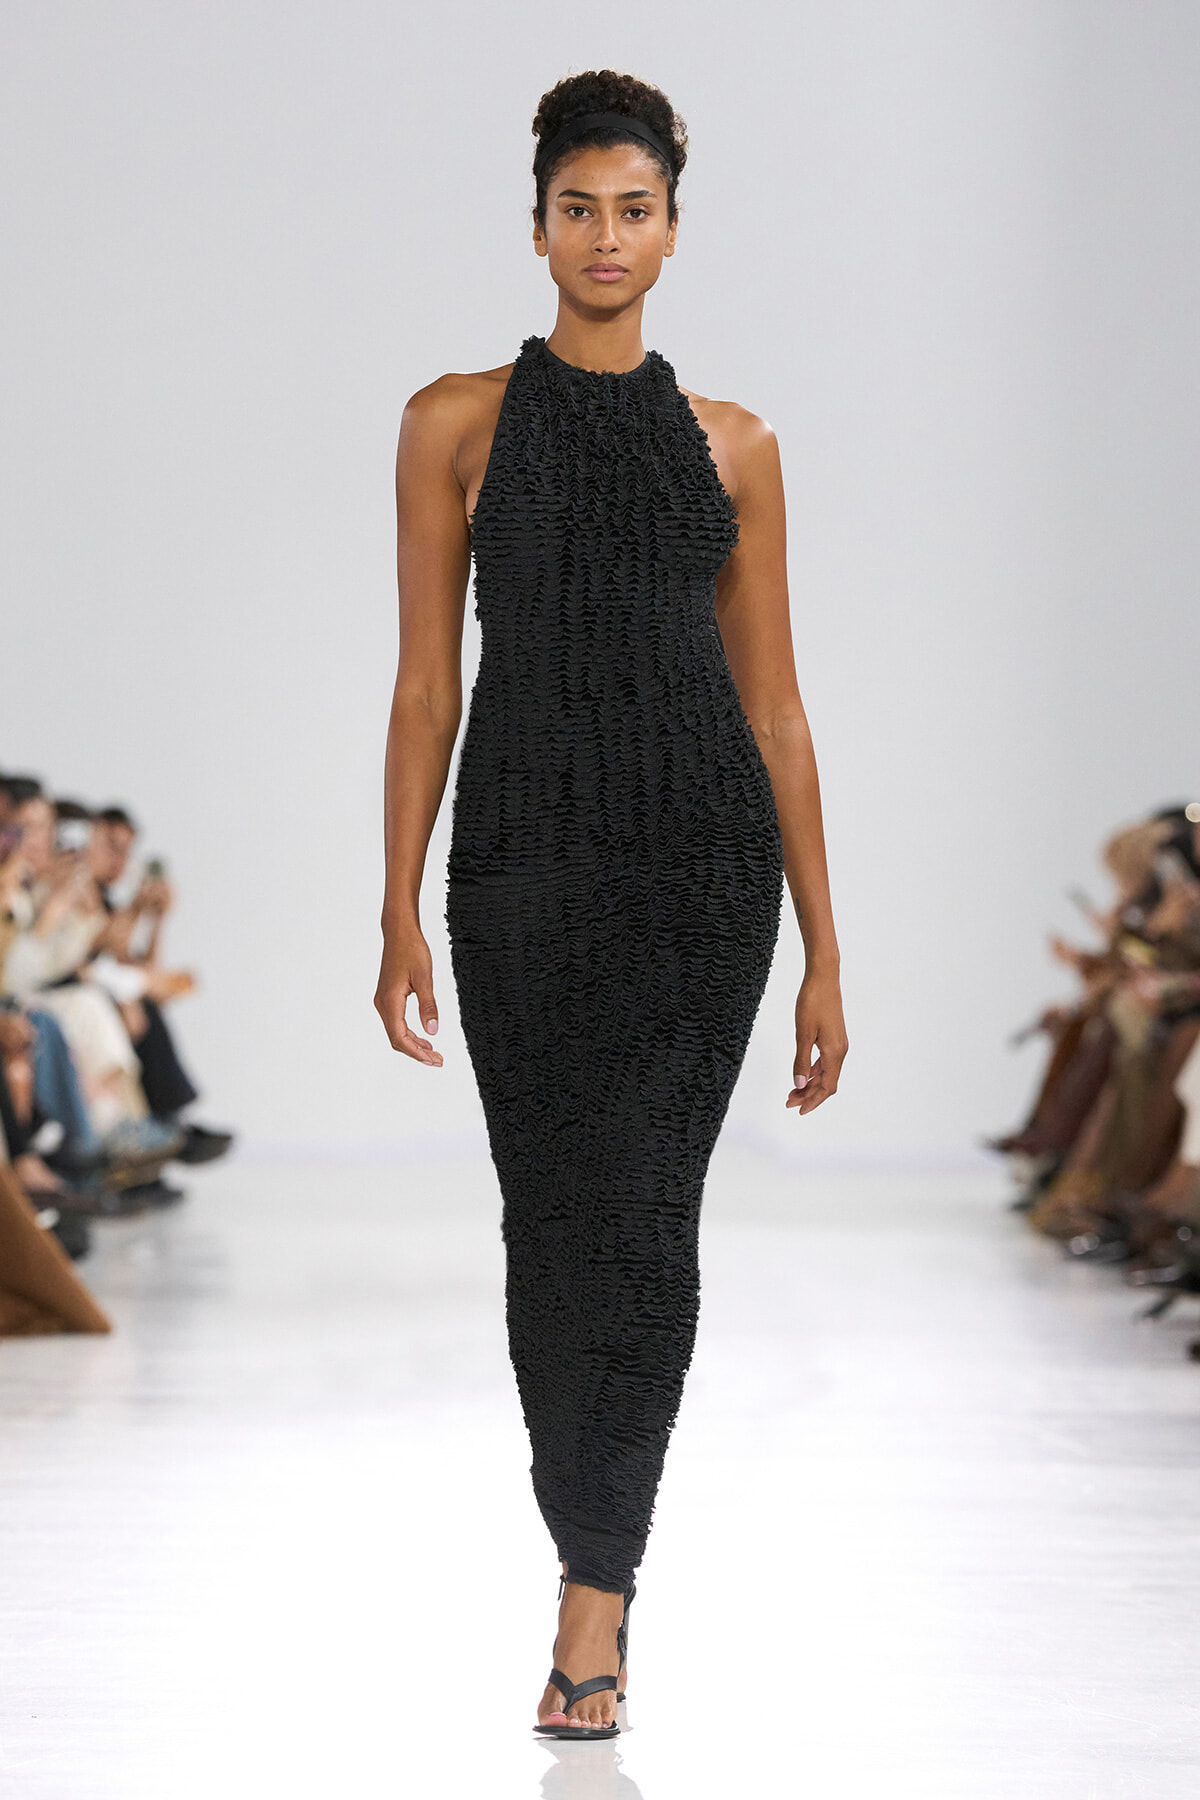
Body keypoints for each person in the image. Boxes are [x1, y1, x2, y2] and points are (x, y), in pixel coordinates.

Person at [374, 70, 848, 1739]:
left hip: (701, 873)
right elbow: (425, 686)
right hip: (516, 866)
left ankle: (598, 1599)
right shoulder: (454, 423)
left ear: (672, 232)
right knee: (551, 1226)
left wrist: (826, 951)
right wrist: (394, 905)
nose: (605, 236)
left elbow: (775, 708)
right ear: (536, 229)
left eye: (633, 210)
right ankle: (585, 1543)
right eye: (578, 208)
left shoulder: (737, 447)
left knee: (646, 1223)